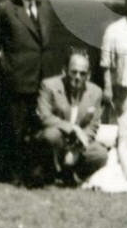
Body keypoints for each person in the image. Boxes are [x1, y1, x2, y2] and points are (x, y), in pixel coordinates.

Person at [0, 0, 63, 185]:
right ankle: (15, 174)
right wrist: (4, 71)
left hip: (44, 79)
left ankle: (39, 173)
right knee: (16, 129)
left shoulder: (46, 8)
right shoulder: (5, 9)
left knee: (41, 127)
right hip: (18, 79)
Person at [34, 49, 107, 186]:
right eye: (74, 72)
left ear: (89, 75)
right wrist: (72, 128)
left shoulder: (96, 92)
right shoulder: (49, 85)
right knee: (50, 135)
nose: (78, 77)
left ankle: (72, 175)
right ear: (64, 71)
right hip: (58, 137)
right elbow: (44, 116)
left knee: (101, 155)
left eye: (82, 73)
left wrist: (77, 150)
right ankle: (49, 172)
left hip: (78, 143)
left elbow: (93, 126)